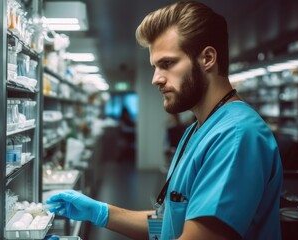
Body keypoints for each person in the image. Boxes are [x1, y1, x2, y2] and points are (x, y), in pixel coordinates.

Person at [46, 1, 283, 239]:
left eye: (167, 64)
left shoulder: (236, 135)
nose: (156, 79)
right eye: (154, 67)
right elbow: (170, 225)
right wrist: (101, 213)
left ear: (208, 58)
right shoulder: (196, 131)